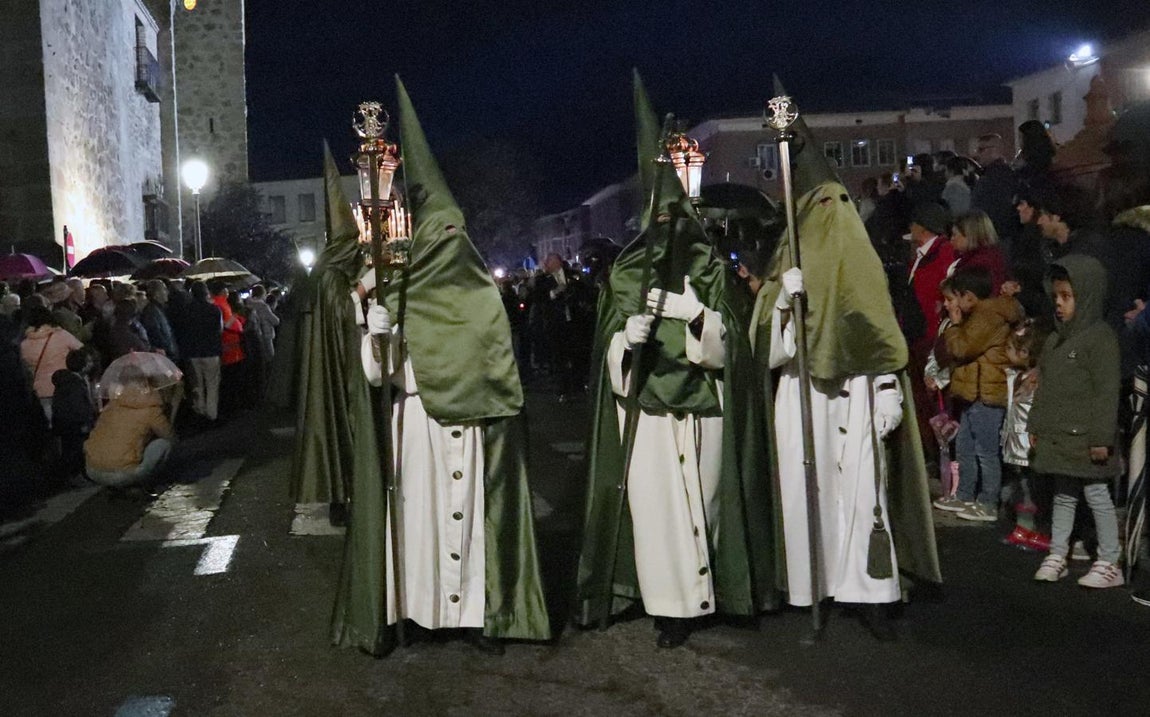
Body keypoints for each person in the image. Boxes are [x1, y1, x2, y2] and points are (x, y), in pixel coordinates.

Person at [331, 82, 550, 657]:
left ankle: (478, 614)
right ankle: (419, 610)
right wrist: (377, 337)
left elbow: (500, 365)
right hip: (419, 425)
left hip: (473, 427)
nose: (450, 242)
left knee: (473, 521)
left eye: (457, 232)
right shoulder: (396, 291)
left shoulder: (483, 295)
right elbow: (378, 377)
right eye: (440, 233)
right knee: (420, 522)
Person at [576, 75, 777, 648]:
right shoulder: (623, 274)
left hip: (702, 406)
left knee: (706, 501)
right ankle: (668, 606)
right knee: (658, 511)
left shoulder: (711, 271)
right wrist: (625, 342)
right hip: (648, 412)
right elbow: (607, 352)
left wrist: (699, 320)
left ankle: (708, 592)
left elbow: (733, 344)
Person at [1030, 256, 1123, 588]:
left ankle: (1110, 560)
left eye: (1067, 297)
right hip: (1060, 436)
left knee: (1097, 493)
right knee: (1064, 494)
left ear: (1086, 296)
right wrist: (1035, 426)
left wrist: (1101, 438)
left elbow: (1106, 392)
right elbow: (1045, 388)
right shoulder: (1056, 340)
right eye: (1056, 297)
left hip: (1086, 438)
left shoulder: (1100, 338)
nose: (1059, 304)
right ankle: (1058, 553)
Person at [931, 267, 1023, 521]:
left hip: (987, 393)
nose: (953, 304)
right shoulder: (979, 314)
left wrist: (955, 325)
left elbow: (962, 348)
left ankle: (988, 501)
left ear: (969, 297)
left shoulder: (986, 315)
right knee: (965, 446)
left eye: (956, 298)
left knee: (986, 450)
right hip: (973, 392)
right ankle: (965, 494)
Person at [1000, 322, 1050, 551]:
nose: (1006, 352)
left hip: (1030, 443)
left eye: (1010, 348)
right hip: (1015, 443)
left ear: (1025, 353)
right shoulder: (1015, 376)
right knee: (1022, 488)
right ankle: (1023, 526)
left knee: (1035, 488)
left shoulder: (1038, 382)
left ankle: (1039, 529)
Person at [84, 365, 173, 493]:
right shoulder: (150, 408)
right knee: (163, 444)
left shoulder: (113, 404)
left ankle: (116, 486)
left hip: (92, 469)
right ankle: (143, 484)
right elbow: (169, 436)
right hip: (122, 473)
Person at [20, 306, 84, 425]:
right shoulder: (62, 336)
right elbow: (81, 350)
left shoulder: (24, 344)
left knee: (48, 427)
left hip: (39, 390)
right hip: (63, 388)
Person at [51, 347, 99, 483]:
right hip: (75, 425)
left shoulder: (66, 381)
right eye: (88, 361)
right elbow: (78, 407)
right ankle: (76, 476)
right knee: (76, 452)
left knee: (69, 451)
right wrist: (85, 422)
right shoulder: (74, 384)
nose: (91, 364)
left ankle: (71, 477)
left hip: (64, 424)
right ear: (81, 364)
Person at [180, 280, 223, 423]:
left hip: (193, 352)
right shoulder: (214, 310)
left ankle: (199, 411)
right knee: (212, 384)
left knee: (197, 384)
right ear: (206, 293)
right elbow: (220, 329)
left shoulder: (186, 311)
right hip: (211, 351)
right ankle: (212, 415)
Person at [971, 133, 1020, 252]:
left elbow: (1000, 208)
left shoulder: (999, 176)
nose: (977, 154)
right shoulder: (993, 174)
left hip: (997, 236)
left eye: (981, 149)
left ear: (996, 149)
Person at [948, 209, 1009, 293]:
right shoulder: (993, 256)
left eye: (955, 235)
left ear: (970, 235)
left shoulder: (979, 265)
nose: (952, 239)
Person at [140, 280, 179, 361]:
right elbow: (155, 334)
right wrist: (168, 350)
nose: (167, 292)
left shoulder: (158, 308)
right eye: (164, 289)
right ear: (156, 294)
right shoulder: (152, 311)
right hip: (164, 356)